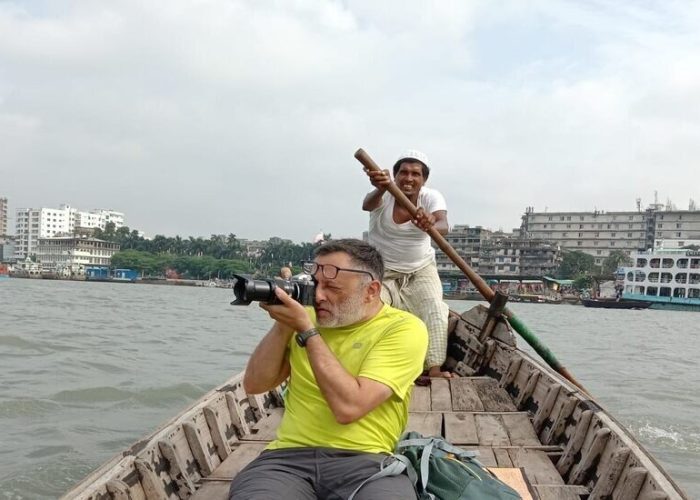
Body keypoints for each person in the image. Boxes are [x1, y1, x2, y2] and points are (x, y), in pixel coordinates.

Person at [229, 239, 428, 500]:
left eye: (332, 288)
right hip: (287, 460)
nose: (319, 296)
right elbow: (255, 384)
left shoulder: (402, 328)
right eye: (316, 284)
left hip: (367, 462)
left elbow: (349, 408)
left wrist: (307, 331)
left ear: (371, 291)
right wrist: (283, 325)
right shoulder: (305, 317)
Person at [362, 149, 451, 378]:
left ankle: (434, 369)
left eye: (416, 174)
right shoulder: (384, 194)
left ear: (424, 179)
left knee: (434, 306)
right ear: (395, 175)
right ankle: (371, 364)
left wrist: (430, 222)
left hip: (420, 269)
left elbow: (444, 226)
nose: (409, 178)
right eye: (403, 173)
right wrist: (381, 187)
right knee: (370, 309)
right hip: (382, 272)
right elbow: (367, 205)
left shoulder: (430, 197)